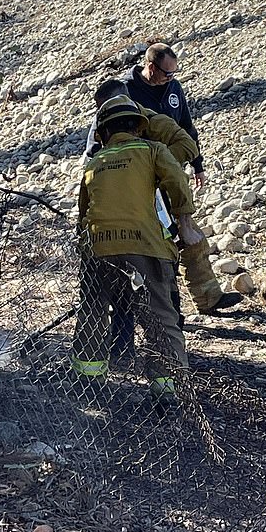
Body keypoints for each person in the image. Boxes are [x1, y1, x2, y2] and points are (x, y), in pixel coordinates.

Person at [71, 95, 201, 405]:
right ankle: (168, 391)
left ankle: (88, 384)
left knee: (93, 311)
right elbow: (177, 181)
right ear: (139, 127)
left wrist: (86, 252)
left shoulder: (95, 163)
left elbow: (83, 212)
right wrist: (185, 223)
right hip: (147, 248)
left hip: (100, 249)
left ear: (102, 133)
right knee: (161, 317)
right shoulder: (153, 150)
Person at [88, 76, 242, 315]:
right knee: (155, 254)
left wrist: (157, 166)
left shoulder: (148, 120)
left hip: (158, 196)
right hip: (123, 200)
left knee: (190, 242)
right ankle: (165, 313)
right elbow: (93, 161)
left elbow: (187, 144)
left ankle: (206, 298)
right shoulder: (101, 126)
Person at [123, 42, 206, 189]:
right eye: (167, 73)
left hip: (171, 162)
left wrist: (197, 165)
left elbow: (186, 126)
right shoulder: (126, 90)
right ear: (151, 67)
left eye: (173, 73)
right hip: (141, 166)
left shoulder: (174, 87)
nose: (170, 78)